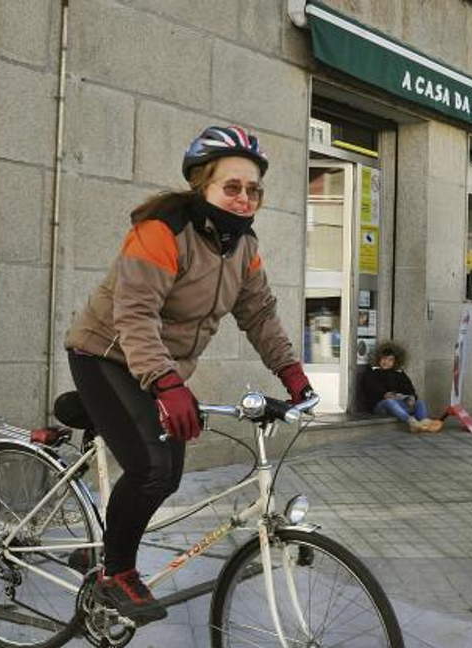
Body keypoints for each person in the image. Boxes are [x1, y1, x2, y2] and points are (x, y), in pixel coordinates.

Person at [64, 126, 314, 622]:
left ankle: (102, 548)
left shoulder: (243, 247)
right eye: (233, 187)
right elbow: (133, 315)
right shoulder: (162, 230)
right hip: (105, 353)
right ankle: (116, 572)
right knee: (152, 467)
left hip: (157, 366)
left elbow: (259, 314)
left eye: (254, 190)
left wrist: (292, 374)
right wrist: (167, 384)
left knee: (169, 474)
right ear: (203, 186)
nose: (245, 199)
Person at [360, 341, 442, 433]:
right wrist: (384, 393)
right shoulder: (372, 371)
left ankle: (424, 423)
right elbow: (371, 386)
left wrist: (411, 397)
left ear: (395, 362)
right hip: (379, 405)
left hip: (398, 402)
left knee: (419, 402)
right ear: (378, 358)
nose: (385, 362)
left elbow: (409, 387)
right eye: (383, 358)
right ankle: (412, 422)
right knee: (390, 402)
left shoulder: (399, 373)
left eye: (390, 360)